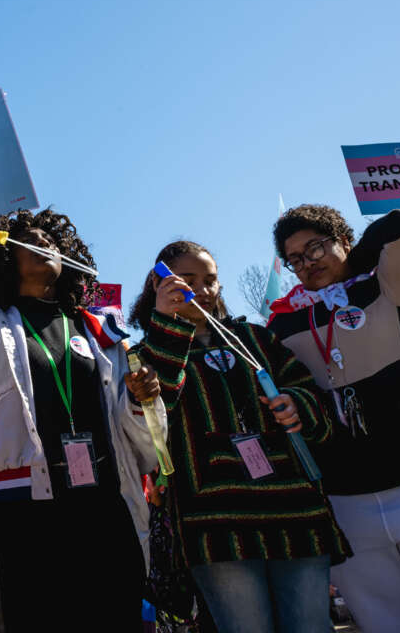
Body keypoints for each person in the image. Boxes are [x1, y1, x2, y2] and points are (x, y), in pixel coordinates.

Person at [0, 208, 162, 632]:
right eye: (31, 239)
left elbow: (141, 439)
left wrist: (142, 398)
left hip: (105, 508)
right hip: (31, 514)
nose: (45, 244)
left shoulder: (100, 329)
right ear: (5, 257)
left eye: (52, 240)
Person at [266, 205, 400, 632]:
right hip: (347, 503)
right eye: (295, 259)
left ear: (343, 239)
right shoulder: (281, 322)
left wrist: (353, 263)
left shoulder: (387, 286)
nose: (308, 263)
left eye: (316, 247)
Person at [129, 240, 349, 633]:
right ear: (159, 283)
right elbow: (153, 416)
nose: (204, 289)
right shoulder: (146, 351)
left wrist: (296, 404)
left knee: (311, 626)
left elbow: (308, 389)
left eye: (211, 279)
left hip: (294, 509)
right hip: (216, 524)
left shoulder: (257, 338)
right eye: (189, 279)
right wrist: (168, 322)